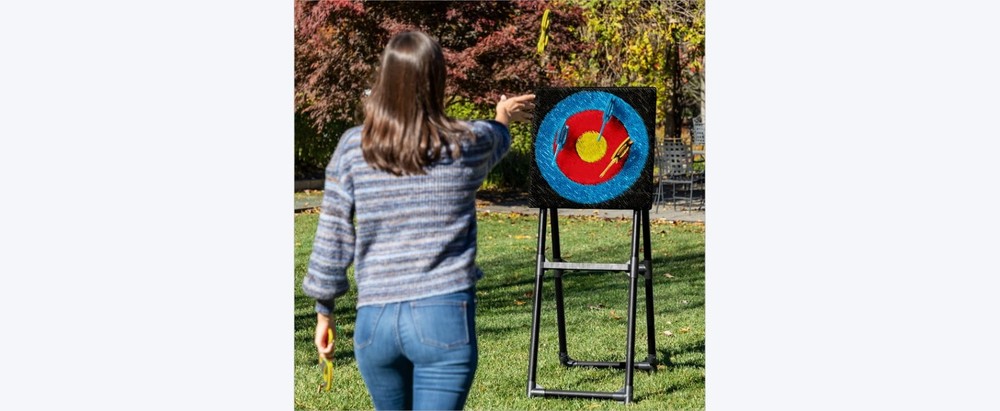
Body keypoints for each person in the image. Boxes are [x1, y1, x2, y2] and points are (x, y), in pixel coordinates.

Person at [301, 30, 535, 410]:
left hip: (373, 322)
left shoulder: (352, 148)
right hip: (442, 315)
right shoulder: (465, 143)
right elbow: (498, 135)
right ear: (437, 79)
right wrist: (503, 114)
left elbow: (332, 237)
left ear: (385, 79)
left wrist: (324, 312)